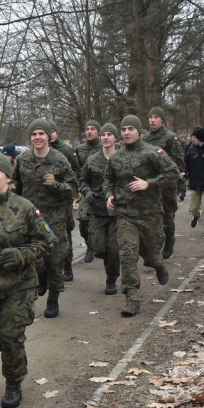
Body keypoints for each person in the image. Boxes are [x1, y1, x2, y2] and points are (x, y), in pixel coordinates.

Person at [0, 153, 53, 408]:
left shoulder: (25, 207)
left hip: (19, 284)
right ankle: (11, 349)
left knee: (10, 333)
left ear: (7, 176)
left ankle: (13, 382)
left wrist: (22, 254)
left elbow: (47, 242)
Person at [103, 115, 178, 317]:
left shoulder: (153, 153)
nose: (126, 133)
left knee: (152, 254)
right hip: (125, 214)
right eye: (124, 129)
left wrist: (149, 183)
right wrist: (109, 195)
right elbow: (108, 179)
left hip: (150, 214)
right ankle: (132, 298)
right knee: (127, 255)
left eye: (130, 129)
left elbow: (173, 173)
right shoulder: (116, 157)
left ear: (139, 132)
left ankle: (158, 264)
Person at [13, 118, 77, 318]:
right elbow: (15, 182)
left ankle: (53, 300)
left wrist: (57, 186)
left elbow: (73, 189)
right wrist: (12, 188)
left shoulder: (59, 159)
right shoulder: (22, 159)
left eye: (41, 133)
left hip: (55, 218)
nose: (37, 137)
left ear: (49, 136)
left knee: (55, 259)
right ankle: (41, 277)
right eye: (34, 134)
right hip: (31, 218)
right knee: (34, 258)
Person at [80, 123, 121, 295]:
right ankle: (109, 263)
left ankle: (111, 279)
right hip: (97, 210)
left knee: (113, 248)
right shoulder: (92, 160)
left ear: (115, 138)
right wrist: (87, 191)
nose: (105, 137)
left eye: (109, 134)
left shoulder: (123, 158)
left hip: (118, 212)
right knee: (98, 247)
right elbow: (83, 180)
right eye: (103, 134)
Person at [143, 107, 186, 259]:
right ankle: (154, 246)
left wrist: (165, 166)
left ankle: (169, 239)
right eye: (150, 117)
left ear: (162, 120)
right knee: (152, 214)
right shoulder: (145, 138)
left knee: (168, 214)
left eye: (155, 117)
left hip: (166, 183)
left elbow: (179, 161)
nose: (152, 120)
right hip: (151, 183)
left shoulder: (170, 137)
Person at [47, 120, 79, 282]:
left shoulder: (65, 152)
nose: (50, 134)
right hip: (43, 204)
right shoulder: (36, 152)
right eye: (48, 131)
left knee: (64, 235)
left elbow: (76, 173)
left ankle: (67, 265)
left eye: (52, 131)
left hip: (62, 200)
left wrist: (72, 194)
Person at [74, 120, 103, 263]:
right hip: (87, 188)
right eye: (87, 129)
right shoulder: (80, 150)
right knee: (83, 220)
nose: (89, 131)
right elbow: (77, 170)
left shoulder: (105, 146)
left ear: (98, 131)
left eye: (92, 129)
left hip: (104, 188)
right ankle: (90, 246)